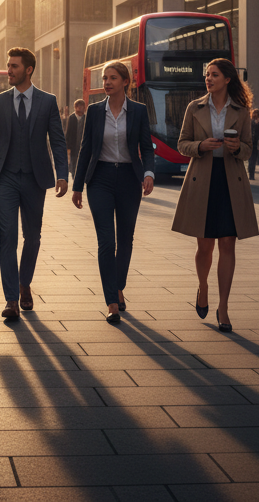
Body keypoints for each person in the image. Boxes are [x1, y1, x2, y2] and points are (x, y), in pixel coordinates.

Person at [0, 47, 69, 321]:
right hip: (4, 178)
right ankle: (11, 299)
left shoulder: (47, 101)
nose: (9, 70)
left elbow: (58, 140)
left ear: (28, 70)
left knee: (33, 237)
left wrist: (62, 175)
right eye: (8, 65)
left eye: (14, 66)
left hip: (34, 179)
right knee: (8, 238)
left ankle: (24, 282)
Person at [173, 58, 258, 332]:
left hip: (230, 181)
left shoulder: (242, 110)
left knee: (228, 245)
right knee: (205, 246)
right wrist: (201, 145)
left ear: (227, 79)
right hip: (203, 181)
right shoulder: (194, 107)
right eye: (207, 74)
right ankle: (202, 286)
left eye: (214, 75)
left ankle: (223, 307)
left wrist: (235, 148)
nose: (208, 79)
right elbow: (182, 143)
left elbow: (248, 149)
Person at [71, 62, 154, 323]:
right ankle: (111, 301)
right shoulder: (95, 112)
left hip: (130, 179)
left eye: (113, 78)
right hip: (101, 180)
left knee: (125, 239)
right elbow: (86, 150)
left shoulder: (139, 111)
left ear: (125, 82)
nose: (107, 82)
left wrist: (149, 173)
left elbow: (147, 148)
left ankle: (119, 286)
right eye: (105, 78)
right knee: (106, 241)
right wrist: (77, 185)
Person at [66, 99, 86, 179]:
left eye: (82, 106)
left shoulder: (86, 118)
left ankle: (82, 176)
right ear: (75, 107)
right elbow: (68, 132)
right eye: (78, 106)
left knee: (82, 161)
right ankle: (74, 176)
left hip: (83, 145)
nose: (80, 108)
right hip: (74, 145)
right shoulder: (72, 117)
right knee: (74, 161)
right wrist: (68, 146)